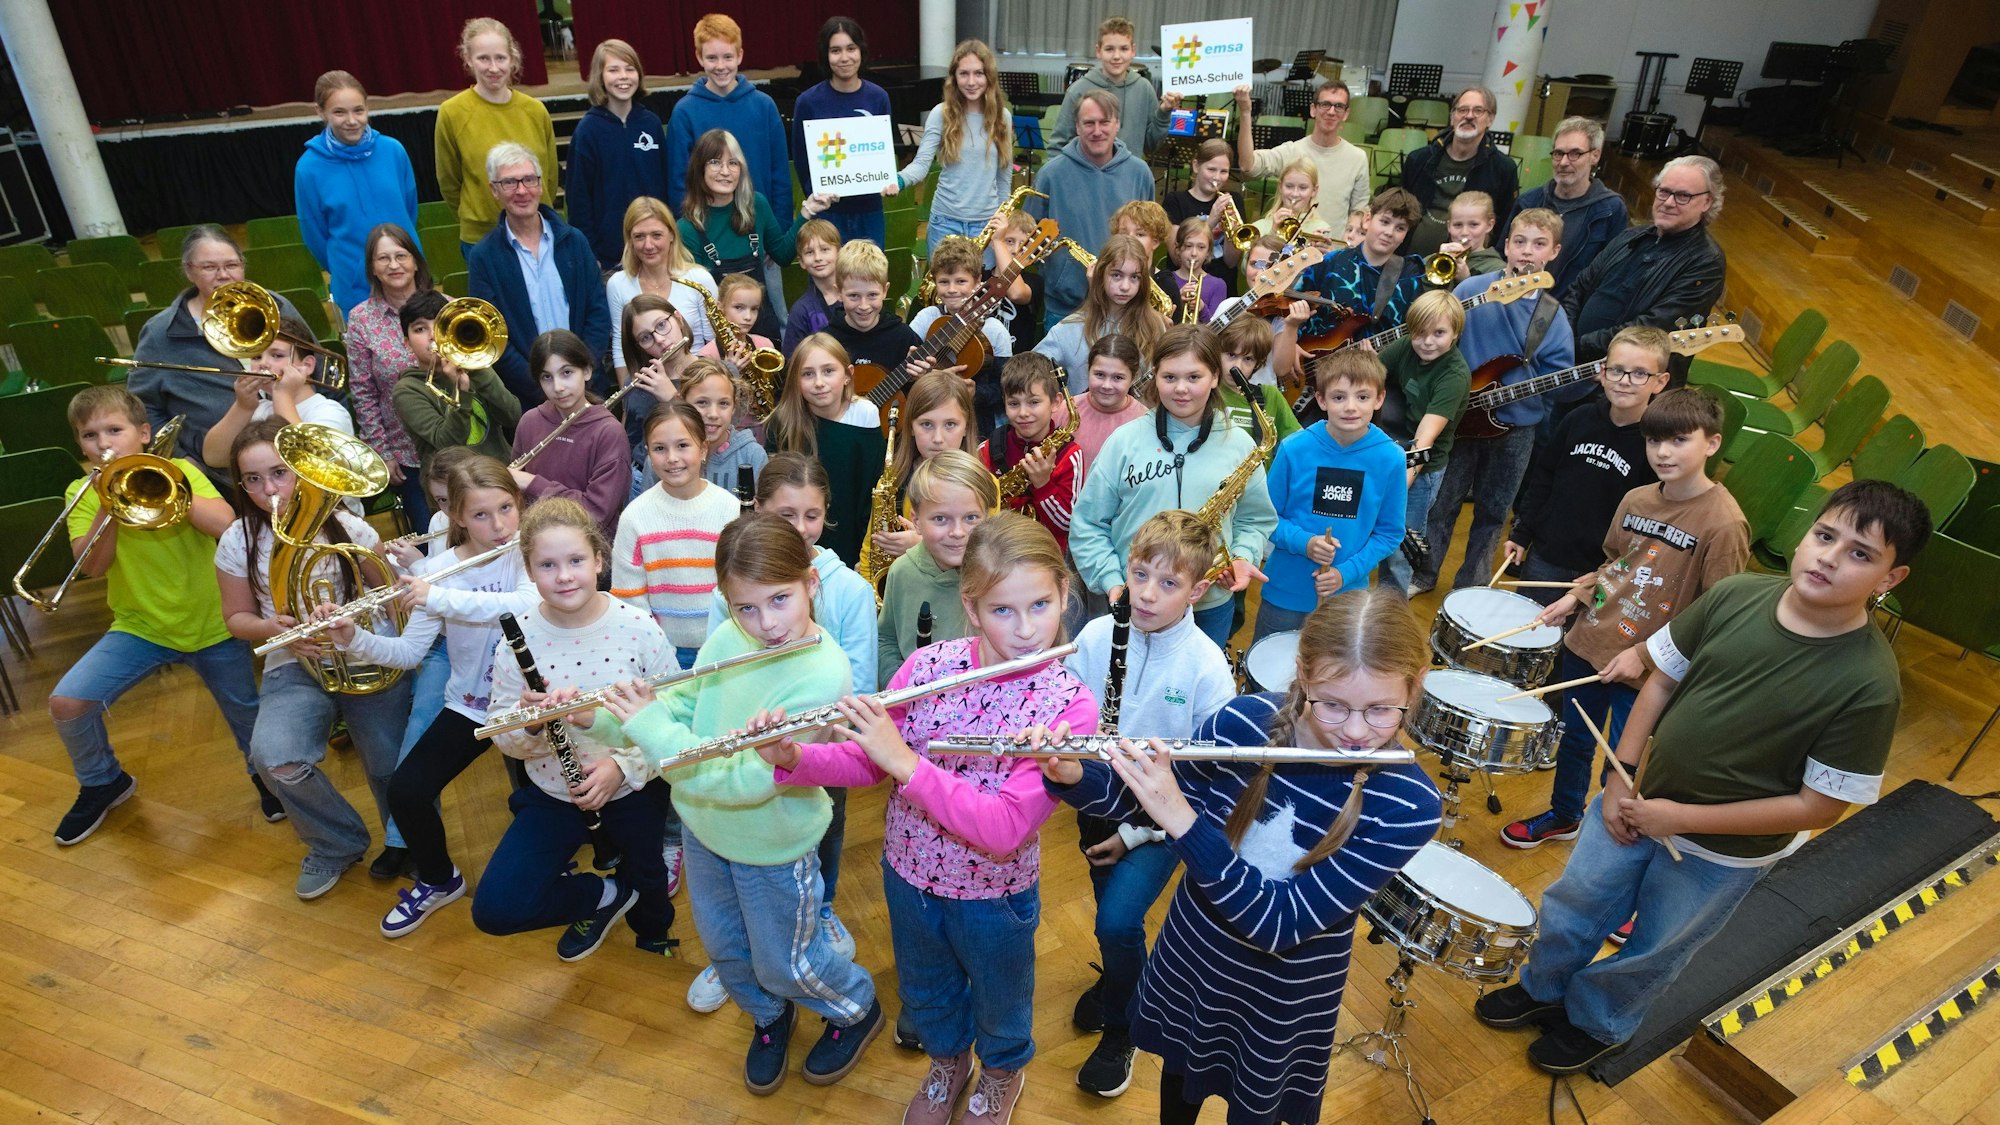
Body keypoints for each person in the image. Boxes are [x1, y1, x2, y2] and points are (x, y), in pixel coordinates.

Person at [1476, 481, 1929, 1073]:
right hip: (1636, 801)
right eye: (1824, 536)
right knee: (1576, 901)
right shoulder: (1737, 596)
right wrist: (1621, 777)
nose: (1829, 557)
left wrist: (1682, 818)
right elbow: (1660, 679)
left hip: (1722, 853)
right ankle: (1543, 988)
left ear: (1891, 579)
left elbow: (1817, 808)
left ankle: (1597, 1023)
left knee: (1657, 944)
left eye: (1861, 554)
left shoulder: (1869, 684)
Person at [1040, 588, 1443, 1124]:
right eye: (1333, 704)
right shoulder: (1244, 721)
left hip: (1281, 995)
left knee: (1256, 1109)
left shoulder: (1409, 805)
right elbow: (1140, 800)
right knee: (1178, 1087)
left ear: (1413, 690)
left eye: (1379, 710)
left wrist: (1181, 820)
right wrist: (1075, 774)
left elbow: (1279, 924)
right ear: (1302, 674)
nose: (1353, 730)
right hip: (1196, 955)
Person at [769, 512, 1099, 1124]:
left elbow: (1003, 827)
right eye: (1003, 610)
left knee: (1002, 1002)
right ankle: (948, 1064)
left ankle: (1001, 1072)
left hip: (993, 895)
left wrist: (907, 765)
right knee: (926, 991)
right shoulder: (929, 668)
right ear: (971, 608)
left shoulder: (1070, 707)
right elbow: (868, 763)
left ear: (1062, 597)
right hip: (909, 874)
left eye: (1041, 605)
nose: (1027, 630)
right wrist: (797, 757)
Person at [615, 513, 884, 1093]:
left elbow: (741, 782)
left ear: (812, 583)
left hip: (773, 845)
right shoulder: (731, 637)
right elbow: (685, 708)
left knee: (786, 961)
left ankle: (857, 1007)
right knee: (729, 950)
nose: (766, 624)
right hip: (704, 832)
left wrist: (649, 729)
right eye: (746, 608)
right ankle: (769, 1016)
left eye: (780, 599)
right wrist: (609, 717)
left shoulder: (822, 674)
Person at [1502, 389, 1749, 851]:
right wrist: (1578, 595)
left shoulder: (1724, 524)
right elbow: (1616, 566)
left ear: (1712, 444)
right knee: (1574, 739)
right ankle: (1565, 814)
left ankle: (1610, 842)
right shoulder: (1636, 498)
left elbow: (1718, 613)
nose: (1663, 452)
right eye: (1654, 441)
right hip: (1591, 642)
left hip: (1651, 669)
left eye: (1678, 440)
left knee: (1624, 763)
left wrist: (1643, 654)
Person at [1057, 510, 1235, 1096]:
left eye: (1169, 583)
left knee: (1116, 919)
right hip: (1096, 802)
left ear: (1199, 590)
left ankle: (1123, 1025)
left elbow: (1211, 785)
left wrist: (1138, 831)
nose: (1148, 595)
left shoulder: (1208, 669)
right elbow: (1074, 715)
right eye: (1140, 575)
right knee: (1111, 918)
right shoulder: (1096, 636)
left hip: (1161, 822)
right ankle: (1119, 983)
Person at [697, 453, 881, 1004]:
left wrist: (814, 721)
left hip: (824, 736)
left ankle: (817, 914)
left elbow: (859, 674)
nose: (800, 529)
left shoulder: (843, 588)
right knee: (739, 873)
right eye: (785, 515)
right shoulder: (733, 590)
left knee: (820, 828)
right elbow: (713, 672)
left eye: (812, 515)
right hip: (750, 737)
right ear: (758, 512)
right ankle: (751, 948)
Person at [324, 455, 533, 935]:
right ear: (456, 516)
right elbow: (408, 651)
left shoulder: (531, 549)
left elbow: (522, 605)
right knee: (407, 791)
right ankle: (439, 880)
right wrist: (351, 637)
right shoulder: (439, 569)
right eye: (481, 515)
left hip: (533, 705)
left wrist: (435, 595)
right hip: (473, 704)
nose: (498, 525)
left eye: (506, 508)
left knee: (540, 797)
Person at [48, 388, 266, 846]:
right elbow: (91, 565)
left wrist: (163, 486)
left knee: (248, 717)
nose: (103, 442)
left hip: (213, 622)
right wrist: (111, 500)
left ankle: (267, 778)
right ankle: (102, 781)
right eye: (91, 435)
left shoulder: (182, 471)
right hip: (140, 626)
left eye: (114, 430)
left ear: (144, 434)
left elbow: (226, 524)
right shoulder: (80, 491)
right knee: (67, 702)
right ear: (80, 446)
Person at [215, 419, 413, 900]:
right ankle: (335, 843)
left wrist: (383, 587)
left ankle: (403, 839)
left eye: (279, 473)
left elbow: (390, 593)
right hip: (294, 661)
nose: (269, 489)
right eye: (254, 480)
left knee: (387, 765)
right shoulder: (238, 540)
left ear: (303, 471)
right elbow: (237, 618)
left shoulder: (351, 526)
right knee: (274, 758)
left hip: (366, 651)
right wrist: (274, 630)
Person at [474, 498, 678, 962]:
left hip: (633, 792)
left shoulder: (638, 628)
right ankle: (601, 897)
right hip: (552, 793)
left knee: (651, 889)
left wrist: (621, 768)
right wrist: (529, 727)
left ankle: (653, 935)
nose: (564, 575)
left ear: (599, 561)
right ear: (529, 569)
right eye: (548, 565)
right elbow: (502, 736)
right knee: (497, 909)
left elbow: (674, 717)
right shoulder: (517, 640)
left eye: (576, 561)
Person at [1071, 325, 1277, 650]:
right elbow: (1087, 525)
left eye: (1194, 377)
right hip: (1135, 600)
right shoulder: (1124, 441)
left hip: (1209, 605)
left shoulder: (1239, 443)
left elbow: (1253, 520)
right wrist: (1112, 580)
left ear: (1214, 377)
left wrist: (1241, 555)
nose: (1181, 389)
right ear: (1154, 377)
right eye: (1169, 377)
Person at [1414, 207, 1578, 594]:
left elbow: (1560, 379)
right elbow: (1438, 342)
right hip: (1457, 421)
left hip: (1515, 428)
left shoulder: (1551, 316)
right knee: (1441, 504)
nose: (1526, 252)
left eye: (1538, 244)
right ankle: (1425, 573)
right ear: (1505, 245)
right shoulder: (1472, 291)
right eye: (1519, 242)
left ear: (1553, 253)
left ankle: (1470, 587)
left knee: (1493, 511)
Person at [1505, 326, 1672, 601]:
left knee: (1576, 641)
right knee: (1529, 633)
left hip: (1600, 570)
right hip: (1547, 556)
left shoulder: (1657, 446)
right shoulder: (1577, 419)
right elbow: (1543, 478)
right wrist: (1522, 532)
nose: (1625, 380)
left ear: (1660, 382)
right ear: (1603, 373)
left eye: (1640, 373)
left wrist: (1612, 570)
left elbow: (1649, 519)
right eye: (1617, 369)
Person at [127, 227, 304, 477]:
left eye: (232, 264)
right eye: (209, 267)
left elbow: (316, 366)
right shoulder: (160, 333)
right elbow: (143, 407)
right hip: (221, 471)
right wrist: (182, 459)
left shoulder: (278, 307)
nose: (223, 275)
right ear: (189, 270)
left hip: (297, 452)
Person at [1256, 350, 1408, 639]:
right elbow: (1267, 516)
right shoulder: (1294, 448)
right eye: (1339, 397)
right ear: (1321, 400)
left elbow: (1389, 533)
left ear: (1379, 399)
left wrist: (1345, 573)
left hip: (1345, 595)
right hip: (1286, 591)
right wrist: (1305, 542)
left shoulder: (1391, 458)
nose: (1350, 407)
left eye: (1362, 397)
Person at [667, 14, 798, 323]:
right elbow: (677, 181)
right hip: (707, 242)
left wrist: (774, 233)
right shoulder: (685, 112)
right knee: (711, 323)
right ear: (699, 57)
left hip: (759, 238)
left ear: (740, 55)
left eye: (728, 56)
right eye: (711, 57)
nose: (721, 65)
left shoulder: (764, 106)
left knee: (773, 317)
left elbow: (780, 173)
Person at [468, 142, 612, 407]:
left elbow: (598, 311)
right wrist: (541, 384)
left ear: (541, 184)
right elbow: (492, 337)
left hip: (588, 391)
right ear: (494, 190)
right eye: (510, 182)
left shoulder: (574, 241)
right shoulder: (483, 257)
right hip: (528, 400)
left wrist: (579, 375)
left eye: (529, 180)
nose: (522, 190)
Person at [1561, 156, 1727, 366]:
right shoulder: (1630, 236)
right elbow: (1580, 287)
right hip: (1571, 358)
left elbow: (1650, 330)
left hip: (1627, 379)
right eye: (1664, 191)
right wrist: (1562, 336)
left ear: (1707, 201)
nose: (1668, 202)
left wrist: (1576, 346)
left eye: (1683, 196)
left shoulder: (1706, 262)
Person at [613, 400, 738, 668]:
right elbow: (630, 601)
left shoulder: (730, 509)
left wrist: (731, 639)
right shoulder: (635, 517)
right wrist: (659, 649)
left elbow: (744, 584)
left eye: (683, 445)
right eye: (659, 449)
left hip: (726, 647)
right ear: (647, 452)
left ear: (703, 448)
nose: (672, 458)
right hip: (664, 652)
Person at [679, 128, 834, 342]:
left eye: (733, 163)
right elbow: (695, 301)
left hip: (764, 327)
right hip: (719, 337)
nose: (725, 171)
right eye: (715, 162)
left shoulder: (757, 205)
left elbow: (782, 254)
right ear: (699, 169)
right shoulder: (687, 229)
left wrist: (808, 211)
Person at [1030, 90, 1157, 329]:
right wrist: (1059, 275)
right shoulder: (1051, 174)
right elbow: (1031, 239)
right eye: (1089, 123)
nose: (1097, 131)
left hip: (1124, 307)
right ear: (1077, 126)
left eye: (1104, 122)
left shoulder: (1140, 173)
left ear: (1117, 124)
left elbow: (1150, 238)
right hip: (1066, 307)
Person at [295, 71, 419, 314]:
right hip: (355, 284)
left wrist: (400, 255)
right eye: (339, 112)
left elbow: (409, 208)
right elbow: (314, 232)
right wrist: (350, 267)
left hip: (405, 275)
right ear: (320, 112)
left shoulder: (393, 150)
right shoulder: (308, 167)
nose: (351, 120)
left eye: (358, 110)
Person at [1372, 289, 1471, 592]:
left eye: (1439, 333)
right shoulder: (1406, 348)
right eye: (1419, 333)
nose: (1427, 342)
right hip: (1390, 452)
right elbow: (1370, 375)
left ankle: (1391, 617)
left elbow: (1424, 442)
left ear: (1455, 333)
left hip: (1422, 469)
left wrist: (1398, 485)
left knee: (1399, 552)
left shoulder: (1454, 375)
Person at [1274, 189, 1426, 386]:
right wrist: (1290, 343)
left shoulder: (1410, 279)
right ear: (1368, 220)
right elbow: (1286, 305)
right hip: (1308, 373)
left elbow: (1411, 340)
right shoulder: (1330, 262)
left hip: (1370, 381)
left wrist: (1383, 361)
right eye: (1385, 222)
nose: (1389, 232)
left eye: (1400, 228)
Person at [435, 18, 558, 250]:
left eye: (500, 58)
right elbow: (449, 181)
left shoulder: (535, 110)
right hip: (481, 238)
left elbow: (549, 176)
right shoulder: (451, 113)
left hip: (537, 232)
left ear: (512, 59)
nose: (493, 68)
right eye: (483, 58)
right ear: (468, 60)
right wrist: (477, 214)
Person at [764, 333, 886, 567]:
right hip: (799, 534)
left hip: (853, 533)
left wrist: (867, 550)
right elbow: (775, 491)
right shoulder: (783, 420)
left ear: (848, 375)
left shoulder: (866, 414)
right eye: (808, 374)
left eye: (829, 371)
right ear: (796, 380)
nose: (819, 382)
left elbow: (872, 488)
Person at [345, 223, 438, 528]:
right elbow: (363, 392)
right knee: (429, 539)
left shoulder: (446, 306)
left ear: (415, 260)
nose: (394, 265)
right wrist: (382, 453)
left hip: (454, 442)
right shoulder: (361, 319)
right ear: (372, 268)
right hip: (404, 451)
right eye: (383, 258)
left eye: (401, 255)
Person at [878, 450, 998, 673]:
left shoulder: (1000, 575)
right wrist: (900, 689)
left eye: (971, 518)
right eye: (940, 519)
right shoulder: (902, 571)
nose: (958, 532)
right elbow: (887, 640)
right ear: (916, 521)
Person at [894, 39, 1014, 255]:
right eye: (963, 74)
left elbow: (1004, 177)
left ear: (989, 77)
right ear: (954, 77)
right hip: (945, 222)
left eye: (978, 73)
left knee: (981, 289)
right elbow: (921, 165)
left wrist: (1003, 217)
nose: (971, 81)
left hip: (986, 226)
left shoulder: (1002, 117)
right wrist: (899, 180)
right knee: (942, 288)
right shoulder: (941, 113)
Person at [510, 330, 630, 543]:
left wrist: (533, 484)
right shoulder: (530, 422)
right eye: (547, 377)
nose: (558, 387)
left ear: (586, 371)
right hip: (538, 546)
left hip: (590, 552)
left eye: (567, 373)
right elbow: (515, 497)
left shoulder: (608, 431)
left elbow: (596, 513)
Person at [391, 289, 523, 475]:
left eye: (439, 325)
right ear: (407, 343)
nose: (432, 336)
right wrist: (462, 391)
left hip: (501, 473)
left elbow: (512, 416)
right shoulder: (407, 390)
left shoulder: (475, 366)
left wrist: (478, 369)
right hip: (452, 487)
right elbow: (448, 444)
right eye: (420, 329)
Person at [567, 39, 671, 271]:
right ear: (600, 77)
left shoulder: (651, 123)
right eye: (613, 70)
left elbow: (666, 184)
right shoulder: (588, 131)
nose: (623, 76)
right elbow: (578, 200)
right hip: (610, 258)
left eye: (629, 69)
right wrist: (590, 252)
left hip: (655, 251)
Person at [199, 315, 355, 469]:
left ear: (307, 365)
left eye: (277, 355)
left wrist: (283, 395)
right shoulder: (260, 409)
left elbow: (309, 466)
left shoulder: (330, 411)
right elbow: (214, 458)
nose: (263, 364)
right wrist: (243, 407)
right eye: (256, 357)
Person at [788, 17, 892, 247]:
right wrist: (818, 193)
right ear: (825, 55)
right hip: (828, 213)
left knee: (868, 279)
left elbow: (883, 151)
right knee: (829, 279)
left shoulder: (878, 98)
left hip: (869, 211)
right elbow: (801, 159)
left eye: (851, 48)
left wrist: (886, 179)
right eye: (836, 50)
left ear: (861, 51)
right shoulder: (807, 102)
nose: (844, 58)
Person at [866, 370, 979, 573]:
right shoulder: (891, 482)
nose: (938, 438)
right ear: (910, 427)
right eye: (926, 424)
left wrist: (920, 546)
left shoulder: (983, 483)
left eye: (950, 425)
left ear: (966, 427)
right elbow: (870, 549)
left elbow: (984, 553)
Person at [1508, 117, 1628, 298]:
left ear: (1595, 155)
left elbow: (1612, 276)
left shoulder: (1611, 209)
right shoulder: (1529, 201)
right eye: (1558, 153)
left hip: (1571, 313)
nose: (1563, 162)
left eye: (1575, 154)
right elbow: (1503, 255)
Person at [606, 196, 718, 385]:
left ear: (672, 235)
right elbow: (620, 348)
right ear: (630, 240)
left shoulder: (698, 278)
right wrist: (630, 401)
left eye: (656, 235)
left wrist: (703, 388)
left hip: (697, 379)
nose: (648, 245)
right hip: (648, 384)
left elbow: (714, 340)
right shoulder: (618, 284)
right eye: (639, 237)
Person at [1034, 234, 1166, 393]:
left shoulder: (1155, 325)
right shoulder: (1069, 329)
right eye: (1116, 275)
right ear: (1100, 274)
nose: (1125, 286)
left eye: (1134, 277)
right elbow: (1029, 373)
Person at [980, 353, 1083, 556]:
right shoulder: (989, 448)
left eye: (1034, 402)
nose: (1023, 413)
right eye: (1014, 404)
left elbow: (1067, 524)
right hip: (995, 552)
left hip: (1045, 558)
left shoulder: (1070, 455)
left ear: (1056, 402)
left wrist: (1043, 485)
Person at [1398, 86, 1519, 257]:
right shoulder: (1419, 159)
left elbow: (1504, 226)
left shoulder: (1503, 168)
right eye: (1462, 110)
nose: (1469, 116)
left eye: (1478, 111)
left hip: (1466, 269)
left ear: (1490, 119)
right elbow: (1401, 210)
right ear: (1452, 117)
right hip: (1409, 260)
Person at [1231, 81, 1372, 226]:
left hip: (1333, 246)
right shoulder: (1292, 151)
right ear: (1313, 109)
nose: (1331, 111)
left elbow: (1359, 215)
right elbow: (1248, 165)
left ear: (1346, 114)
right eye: (1325, 104)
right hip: (1291, 246)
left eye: (1339, 106)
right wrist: (1245, 112)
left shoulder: (1358, 158)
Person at [911, 235, 1013, 429]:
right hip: (929, 417)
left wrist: (977, 393)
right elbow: (905, 369)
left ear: (977, 281)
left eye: (960, 281)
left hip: (976, 423)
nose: (951, 290)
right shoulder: (927, 318)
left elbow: (1006, 390)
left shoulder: (994, 330)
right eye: (944, 282)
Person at [1049, 16, 1174, 155]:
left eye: (1124, 49)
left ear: (1133, 50)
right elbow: (1058, 146)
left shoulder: (1144, 89)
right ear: (1098, 51)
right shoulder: (1078, 90)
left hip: (1128, 175)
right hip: (1086, 175)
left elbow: (1151, 145)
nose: (1116, 56)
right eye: (1109, 49)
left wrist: (1164, 112)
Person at [822, 240, 923, 371]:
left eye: (872, 295)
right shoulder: (826, 342)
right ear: (838, 293)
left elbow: (923, 386)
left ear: (885, 291)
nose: (864, 306)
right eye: (854, 296)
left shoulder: (903, 337)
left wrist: (918, 378)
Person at [619, 295, 697, 460]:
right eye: (646, 338)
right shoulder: (638, 383)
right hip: (643, 475)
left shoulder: (715, 373)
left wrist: (672, 398)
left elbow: (712, 435)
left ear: (678, 319)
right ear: (638, 347)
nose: (660, 340)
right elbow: (629, 443)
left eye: (661, 325)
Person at [681, 357, 768, 492]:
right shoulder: (666, 453)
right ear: (683, 404)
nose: (713, 414)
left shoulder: (752, 455)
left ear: (734, 407)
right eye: (702, 402)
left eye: (723, 403)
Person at [1163, 138, 1245, 279]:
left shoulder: (1234, 200)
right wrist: (1211, 221)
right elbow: (1177, 258)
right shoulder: (1175, 200)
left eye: (1224, 171)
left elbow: (1231, 262)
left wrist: (1232, 232)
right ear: (1196, 166)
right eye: (1211, 169)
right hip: (1184, 283)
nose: (1217, 177)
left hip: (1222, 282)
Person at [1215, 317, 1302, 445]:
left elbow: (1300, 443)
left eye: (1248, 359)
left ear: (1257, 363)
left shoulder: (1270, 395)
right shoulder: (1205, 393)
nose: (1237, 366)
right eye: (1231, 355)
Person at [1072, 333, 1146, 471]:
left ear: (1133, 378)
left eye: (1118, 377)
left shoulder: (1144, 422)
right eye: (1099, 375)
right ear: (1088, 370)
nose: (1106, 385)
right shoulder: (1066, 410)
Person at [694, 273, 779, 372]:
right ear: (720, 307)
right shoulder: (708, 356)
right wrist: (730, 372)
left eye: (754, 309)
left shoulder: (765, 345)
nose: (748, 317)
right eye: (739, 307)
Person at [783, 219, 844, 353]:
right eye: (809, 252)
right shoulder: (800, 311)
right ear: (802, 262)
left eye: (824, 249)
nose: (817, 257)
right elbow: (792, 361)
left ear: (839, 252)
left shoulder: (856, 297)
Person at [1249, 160, 1338, 246]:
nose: (1295, 194)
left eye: (1303, 188)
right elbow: (1252, 260)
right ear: (1280, 187)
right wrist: (1273, 232)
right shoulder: (1259, 228)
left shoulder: (1322, 228)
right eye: (1289, 186)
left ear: (1314, 190)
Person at [1161, 219, 1225, 324]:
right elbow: (1160, 323)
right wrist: (1178, 300)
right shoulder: (1166, 280)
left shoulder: (1218, 285)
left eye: (1201, 247)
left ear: (1208, 252)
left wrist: (1201, 308)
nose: (1194, 253)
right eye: (1188, 246)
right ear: (1178, 249)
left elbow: (1215, 330)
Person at [1440, 191, 1508, 280]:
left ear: (1489, 225)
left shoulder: (1497, 269)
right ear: (1449, 226)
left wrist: (1466, 279)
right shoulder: (1432, 260)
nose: (1464, 232)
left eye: (1473, 225)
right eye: (1458, 225)